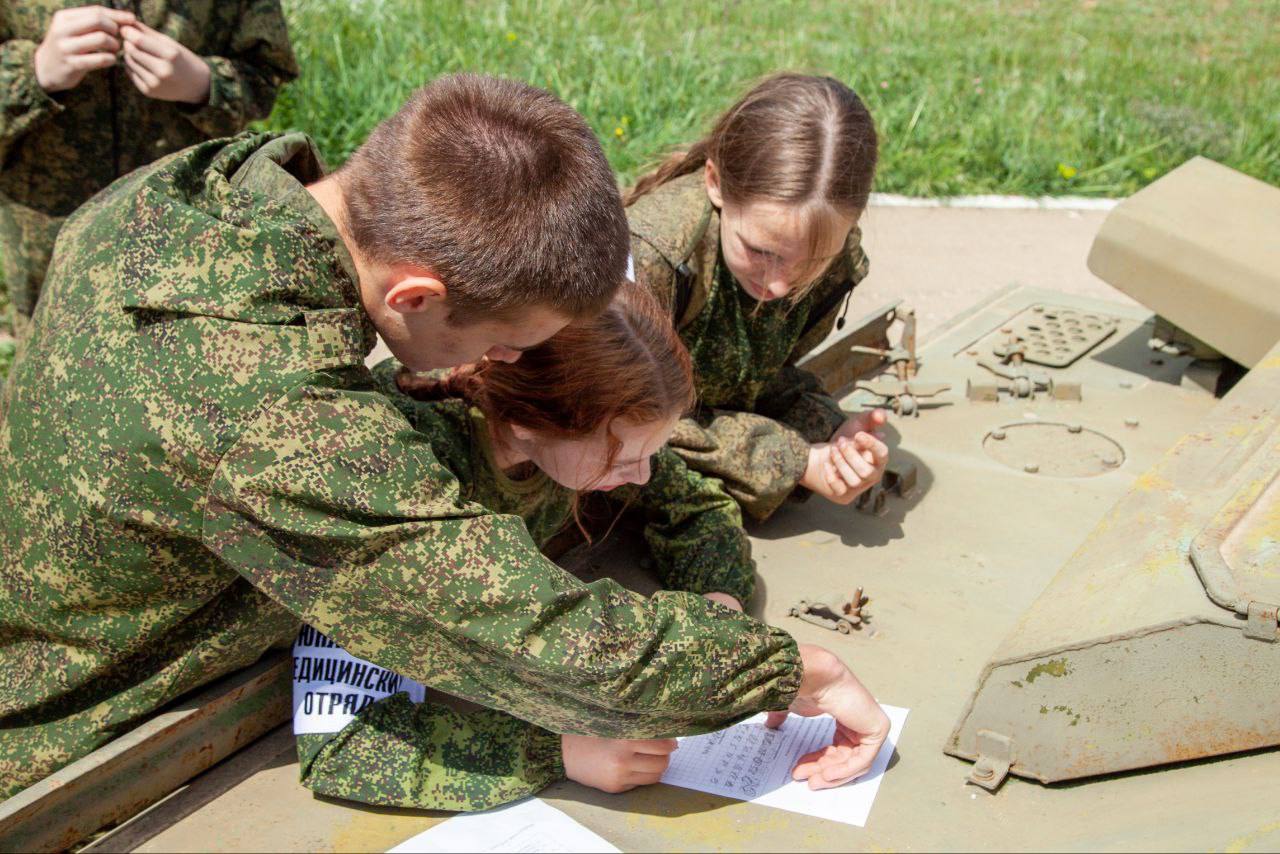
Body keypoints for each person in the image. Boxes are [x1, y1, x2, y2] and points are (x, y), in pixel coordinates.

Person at [0, 73, 888, 799]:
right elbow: (531, 627)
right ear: (415, 297)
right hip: (60, 721)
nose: (498, 367)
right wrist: (791, 672)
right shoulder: (271, 411)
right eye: (504, 343)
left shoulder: (196, 188)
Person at [294, 283, 757, 809]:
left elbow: (697, 506)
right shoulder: (401, 474)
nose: (643, 474)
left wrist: (721, 601)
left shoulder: (584, 424)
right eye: (624, 459)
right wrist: (557, 751)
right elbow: (344, 740)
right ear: (528, 423)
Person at [625, 73, 890, 523]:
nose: (781, 285)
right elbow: (615, 421)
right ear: (715, 183)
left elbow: (753, 375)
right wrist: (795, 461)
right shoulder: (650, 261)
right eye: (760, 252)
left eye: (812, 261)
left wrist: (830, 434)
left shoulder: (836, 256)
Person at [0, 1, 298, 339]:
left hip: (186, 236)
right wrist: (32, 73)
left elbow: (265, 75)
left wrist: (204, 83)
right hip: (48, 252)